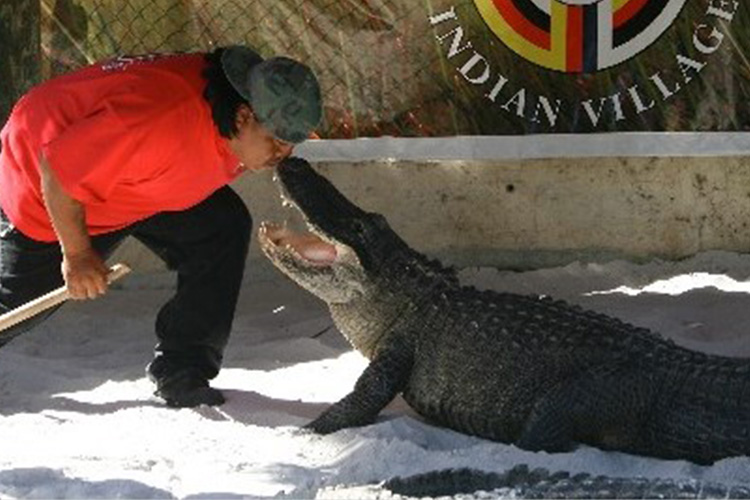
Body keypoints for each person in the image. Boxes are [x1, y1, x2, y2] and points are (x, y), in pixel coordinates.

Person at [0, 45, 323, 407]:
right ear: (244, 116)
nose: (283, 155)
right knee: (11, 309)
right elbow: (57, 171)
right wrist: (76, 254)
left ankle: (183, 370)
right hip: (47, 190)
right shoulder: (156, 121)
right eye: (276, 142)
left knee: (221, 228)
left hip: (138, 181)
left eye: (290, 144)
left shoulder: (231, 111)